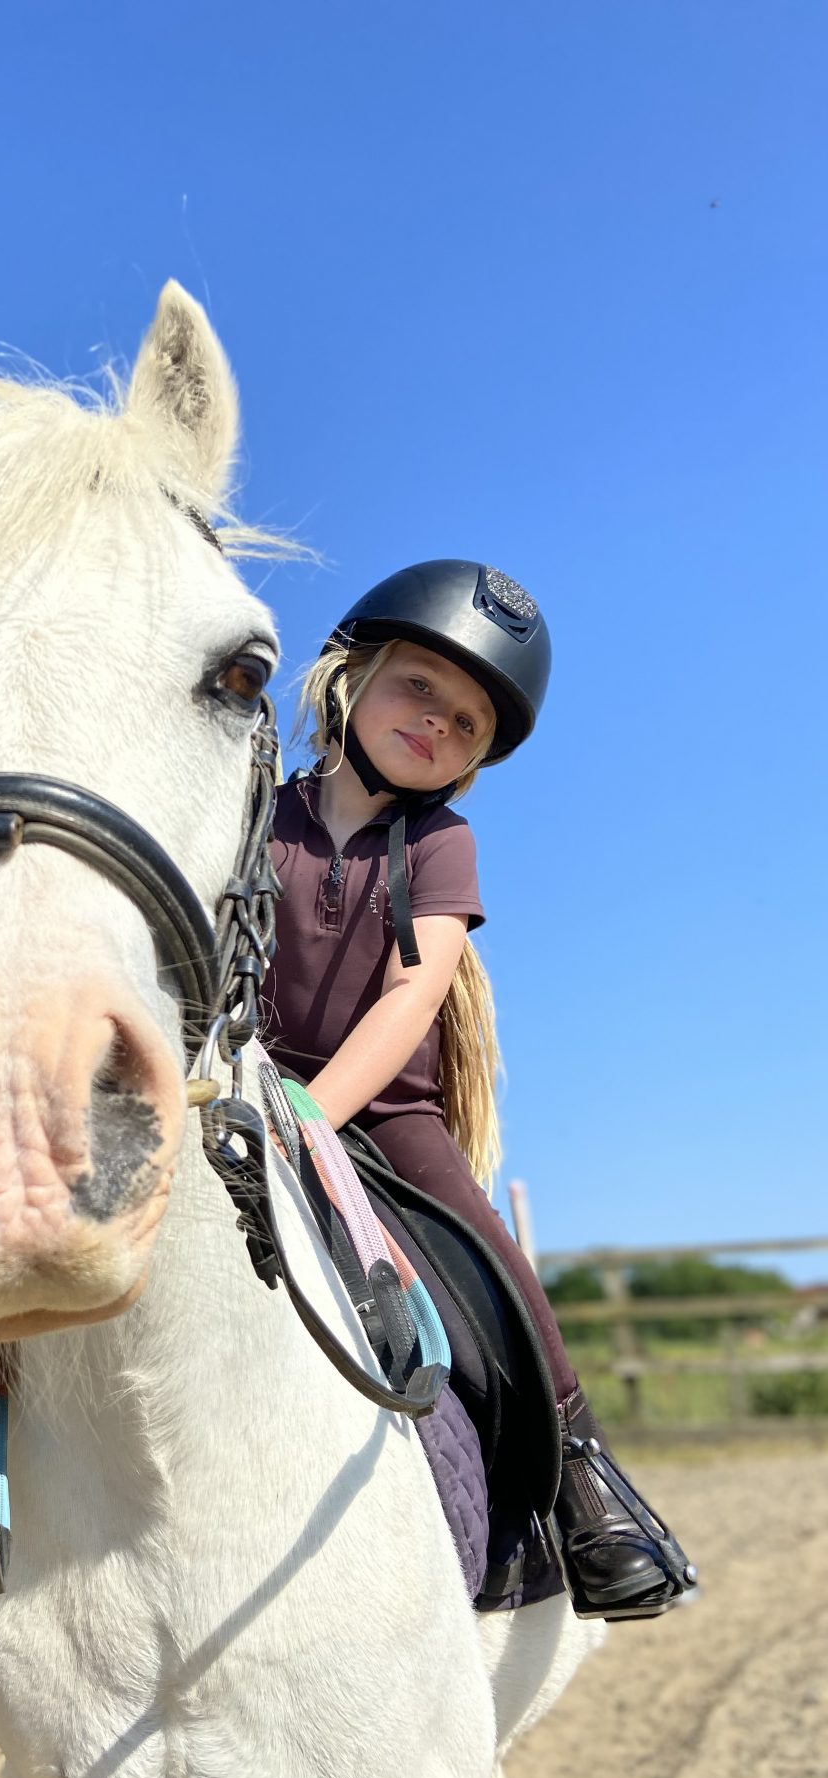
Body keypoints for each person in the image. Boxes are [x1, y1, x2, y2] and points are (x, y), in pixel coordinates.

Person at [262, 558, 692, 1621]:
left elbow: (414, 991)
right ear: (349, 676)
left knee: (488, 1261)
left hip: (383, 1112)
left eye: (466, 723)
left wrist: (314, 1113)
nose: (437, 724)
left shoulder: (440, 841)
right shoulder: (253, 811)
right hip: (243, 1084)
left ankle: (586, 1483)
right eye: (419, 688)